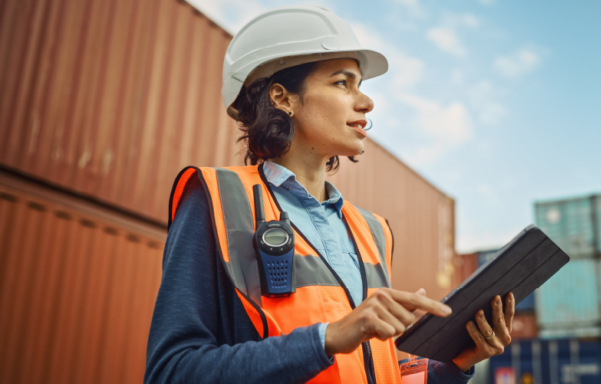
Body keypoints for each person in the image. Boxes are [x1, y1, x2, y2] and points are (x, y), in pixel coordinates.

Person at [145, 5, 516, 383]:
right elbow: (171, 372)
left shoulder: (372, 231)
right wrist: (327, 338)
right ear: (282, 98)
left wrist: (453, 366)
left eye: (361, 86)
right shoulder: (218, 200)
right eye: (343, 83)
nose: (366, 102)